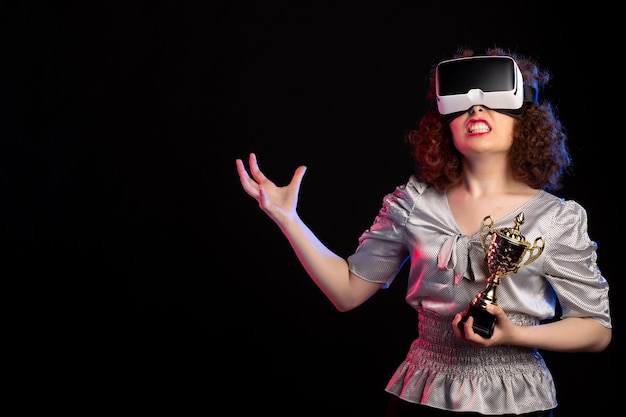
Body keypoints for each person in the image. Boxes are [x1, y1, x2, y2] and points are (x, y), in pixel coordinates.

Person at [235, 46, 612, 416]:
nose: (476, 107)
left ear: (525, 120)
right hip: (422, 395)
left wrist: (517, 335)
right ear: (443, 123)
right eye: (461, 102)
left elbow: (595, 328)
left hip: (518, 402)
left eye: (492, 99)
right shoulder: (412, 203)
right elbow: (347, 292)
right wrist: (288, 218)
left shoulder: (557, 218)